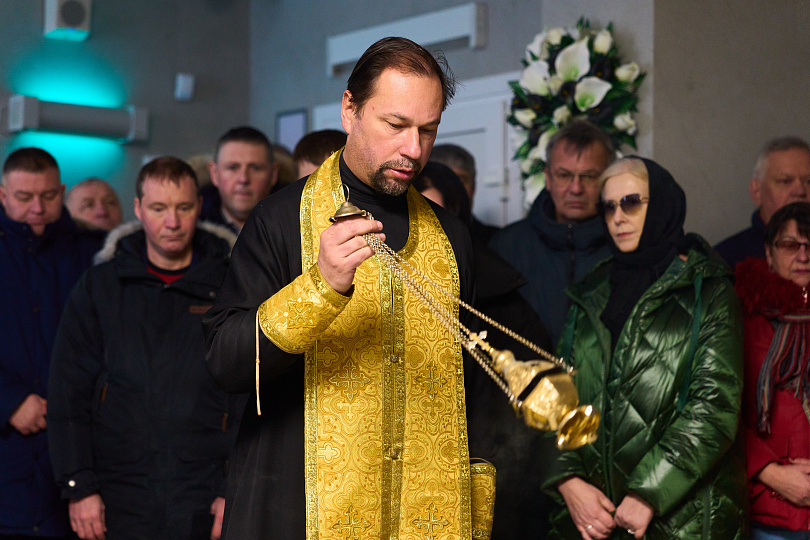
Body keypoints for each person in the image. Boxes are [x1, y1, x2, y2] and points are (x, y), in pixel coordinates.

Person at [203, 37, 484, 539]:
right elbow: (225, 362)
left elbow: (471, 392)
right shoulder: (279, 219)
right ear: (349, 110)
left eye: (428, 129)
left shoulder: (451, 236)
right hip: (297, 507)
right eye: (395, 125)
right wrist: (320, 288)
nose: (414, 149)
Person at [545, 157, 747, 539]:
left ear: (663, 205)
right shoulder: (593, 289)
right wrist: (568, 480)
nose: (618, 217)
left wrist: (648, 492)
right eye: (609, 207)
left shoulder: (708, 289)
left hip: (681, 520)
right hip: (594, 518)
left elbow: (714, 407)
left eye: (631, 203)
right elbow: (558, 395)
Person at [48, 157, 241, 540]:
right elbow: (68, 391)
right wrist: (78, 485)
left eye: (183, 208)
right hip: (117, 486)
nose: (172, 222)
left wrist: (232, 488)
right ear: (137, 209)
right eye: (158, 208)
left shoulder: (232, 287)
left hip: (202, 486)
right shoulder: (100, 287)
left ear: (198, 207)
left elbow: (247, 395)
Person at [414, 160, 555, 538]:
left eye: (436, 217)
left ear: (458, 220)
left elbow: (532, 409)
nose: (422, 231)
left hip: (493, 489)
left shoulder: (498, 298)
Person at [0, 147, 103, 538]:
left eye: (47, 196)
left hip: (80, 448)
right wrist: (9, 401)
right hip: (7, 449)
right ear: (3, 195)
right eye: (24, 197)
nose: (37, 208)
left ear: (62, 192)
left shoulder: (95, 253)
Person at [490, 119, 614, 344]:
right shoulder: (507, 245)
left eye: (588, 176)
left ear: (607, 180)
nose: (576, 189)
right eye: (564, 175)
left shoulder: (623, 244)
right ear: (548, 178)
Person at [735, 202, 810, 539]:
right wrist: (770, 473)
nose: (803, 256)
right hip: (769, 511)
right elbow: (720, 415)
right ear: (768, 252)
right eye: (790, 245)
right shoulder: (741, 320)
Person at [715, 136, 810, 269]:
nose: (800, 191)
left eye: (809, 181)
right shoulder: (724, 262)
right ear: (757, 192)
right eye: (785, 181)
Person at [201, 126, 278, 233]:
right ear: (214, 173)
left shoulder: (295, 228)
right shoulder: (189, 232)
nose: (243, 179)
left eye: (255, 168)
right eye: (232, 167)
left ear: (273, 174)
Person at [429, 143, 498, 242]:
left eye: (460, 181)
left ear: (473, 187)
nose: (452, 190)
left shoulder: (498, 241)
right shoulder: (406, 237)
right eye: (440, 181)